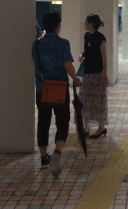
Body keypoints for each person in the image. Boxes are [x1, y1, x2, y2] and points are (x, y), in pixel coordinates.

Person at [32, 12, 81, 177]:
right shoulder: (63, 43)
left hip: (42, 89)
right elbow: (67, 65)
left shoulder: (36, 45)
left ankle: (43, 158)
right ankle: (57, 153)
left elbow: (36, 64)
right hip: (60, 89)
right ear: (58, 26)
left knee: (43, 122)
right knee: (62, 121)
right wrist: (75, 78)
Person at [78, 14, 109, 139]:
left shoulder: (100, 38)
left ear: (91, 24)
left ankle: (101, 127)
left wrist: (104, 76)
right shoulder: (87, 36)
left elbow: (104, 59)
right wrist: (82, 54)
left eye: (86, 21)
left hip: (97, 74)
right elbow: (87, 51)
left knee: (98, 101)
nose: (84, 23)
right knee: (85, 100)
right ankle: (86, 126)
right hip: (87, 73)